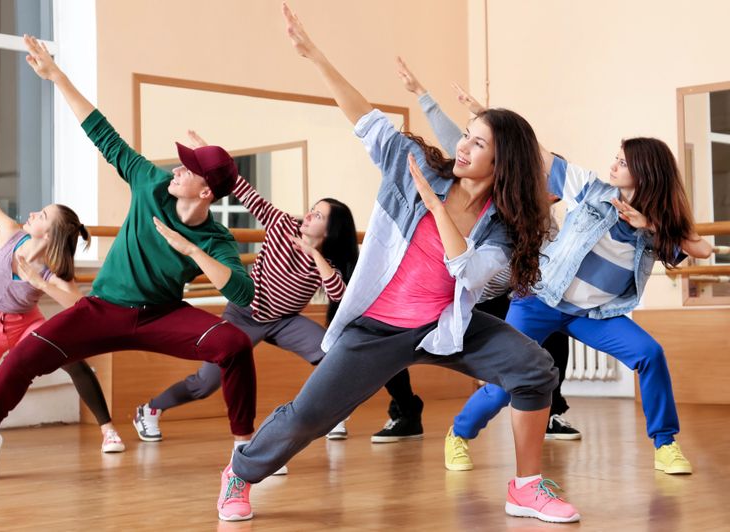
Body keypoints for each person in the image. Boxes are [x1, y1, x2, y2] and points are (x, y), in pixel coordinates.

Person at [214, 4, 581, 524]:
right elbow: (363, 116)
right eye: (467, 135)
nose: (463, 145)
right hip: (377, 328)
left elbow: (473, 275)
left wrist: (439, 212)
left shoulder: (504, 223)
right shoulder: (414, 167)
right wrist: (315, 55)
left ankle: (525, 487)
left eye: (479, 143)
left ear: (503, 164)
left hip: (444, 325)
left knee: (533, 369)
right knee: (311, 416)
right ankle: (241, 472)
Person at [0, 35, 257, 484]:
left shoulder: (214, 238)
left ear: (206, 192)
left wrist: (191, 250)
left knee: (233, 345)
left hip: (161, 316)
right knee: (22, 358)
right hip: (103, 310)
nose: (175, 169)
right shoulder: (149, 183)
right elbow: (104, 134)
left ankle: (247, 452)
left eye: (187, 168)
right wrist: (56, 76)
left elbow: (242, 290)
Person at [453, 131, 712, 475]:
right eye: (616, 158)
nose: (614, 165)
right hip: (540, 300)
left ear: (646, 171)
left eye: (623, 161)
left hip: (593, 314)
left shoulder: (661, 224)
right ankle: (459, 434)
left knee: (650, 354)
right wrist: (500, 126)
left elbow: (702, 249)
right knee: (509, 379)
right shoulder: (592, 189)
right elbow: (540, 154)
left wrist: (647, 223)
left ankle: (665, 445)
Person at [373, 60, 580, 461]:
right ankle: (459, 429)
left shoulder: (547, 222)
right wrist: (429, 97)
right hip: (477, 290)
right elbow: (471, 146)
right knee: (513, 369)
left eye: (550, 186)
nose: (546, 188)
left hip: (510, 292)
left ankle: (552, 410)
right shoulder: (505, 198)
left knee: (546, 350)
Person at [134, 129, 359, 455]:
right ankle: (151, 409)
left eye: (318, 215)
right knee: (207, 382)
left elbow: (339, 294)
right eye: (312, 209)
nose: (308, 214)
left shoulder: (327, 263)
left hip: (284, 321)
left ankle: (329, 413)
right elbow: (246, 192)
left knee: (330, 353)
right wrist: (209, 158)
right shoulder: (282, 223)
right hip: (245, 314)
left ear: (331, 229)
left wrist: (315, 255)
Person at [0, 130, 125, 459]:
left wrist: (40, 283)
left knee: (76, 362)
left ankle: (108, 431)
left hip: (26, 325)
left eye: (43, 214)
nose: (34, 212)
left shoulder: (52, 268)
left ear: (48, 233)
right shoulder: (10, 233)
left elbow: (79, 306)